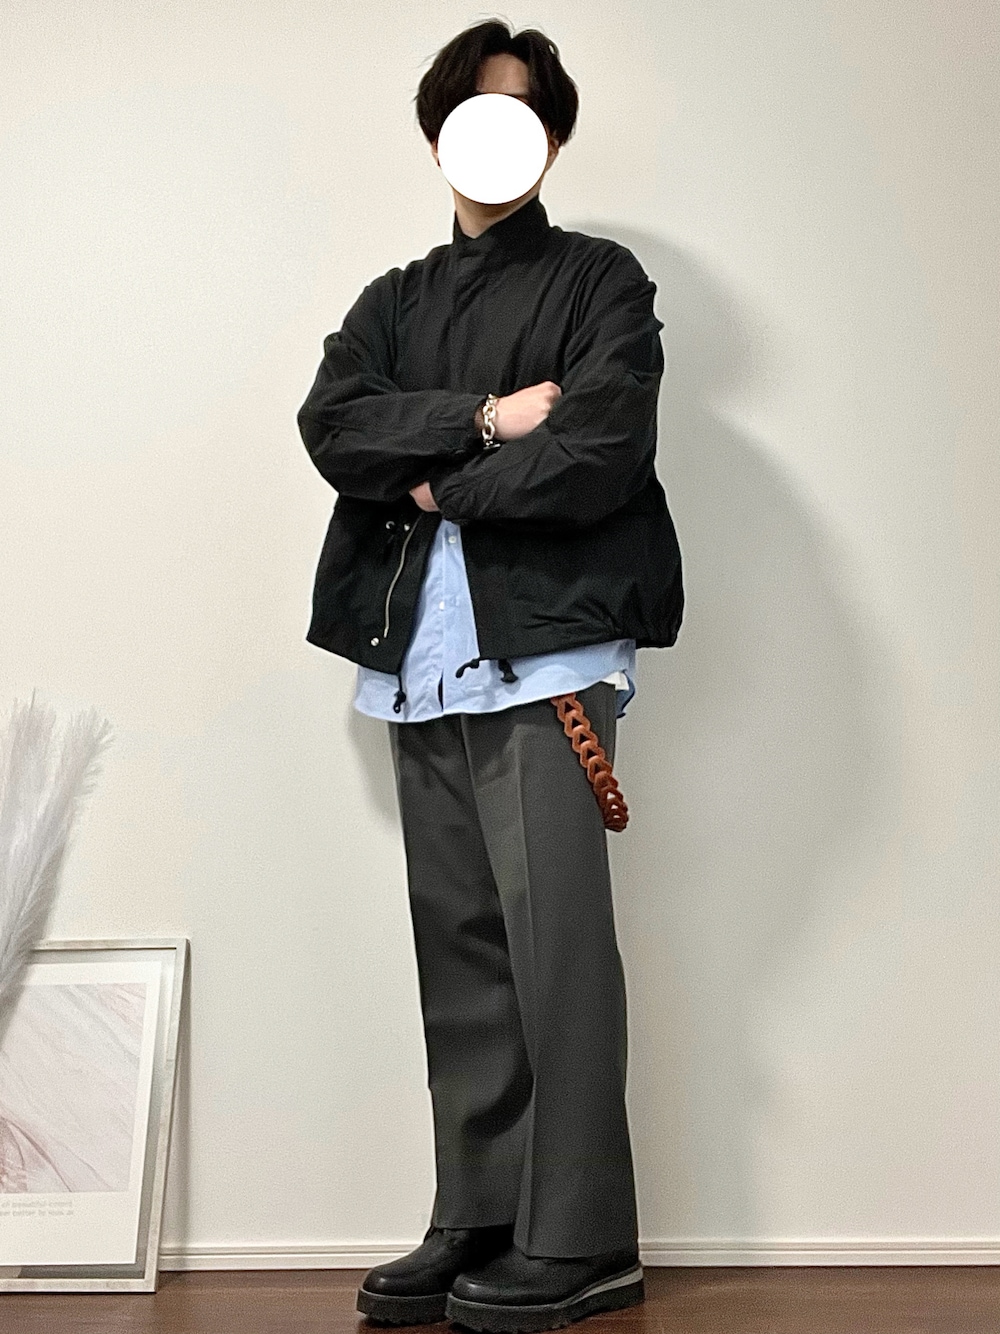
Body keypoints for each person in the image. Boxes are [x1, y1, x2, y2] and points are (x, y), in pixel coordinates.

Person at [297, 19, 683, 1333]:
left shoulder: (599, 282)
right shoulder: (392, 301)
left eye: (519, 115)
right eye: (469, 114)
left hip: (551, 656)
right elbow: (332, 429)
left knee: (555, 947)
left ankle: (583, 1235)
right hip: (420, 661)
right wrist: (485, 416)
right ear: (436, 135)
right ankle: (478, 1212)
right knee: (459, 946)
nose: (492, 137)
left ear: (552, 138)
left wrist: (436, 482)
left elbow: (602, 445)